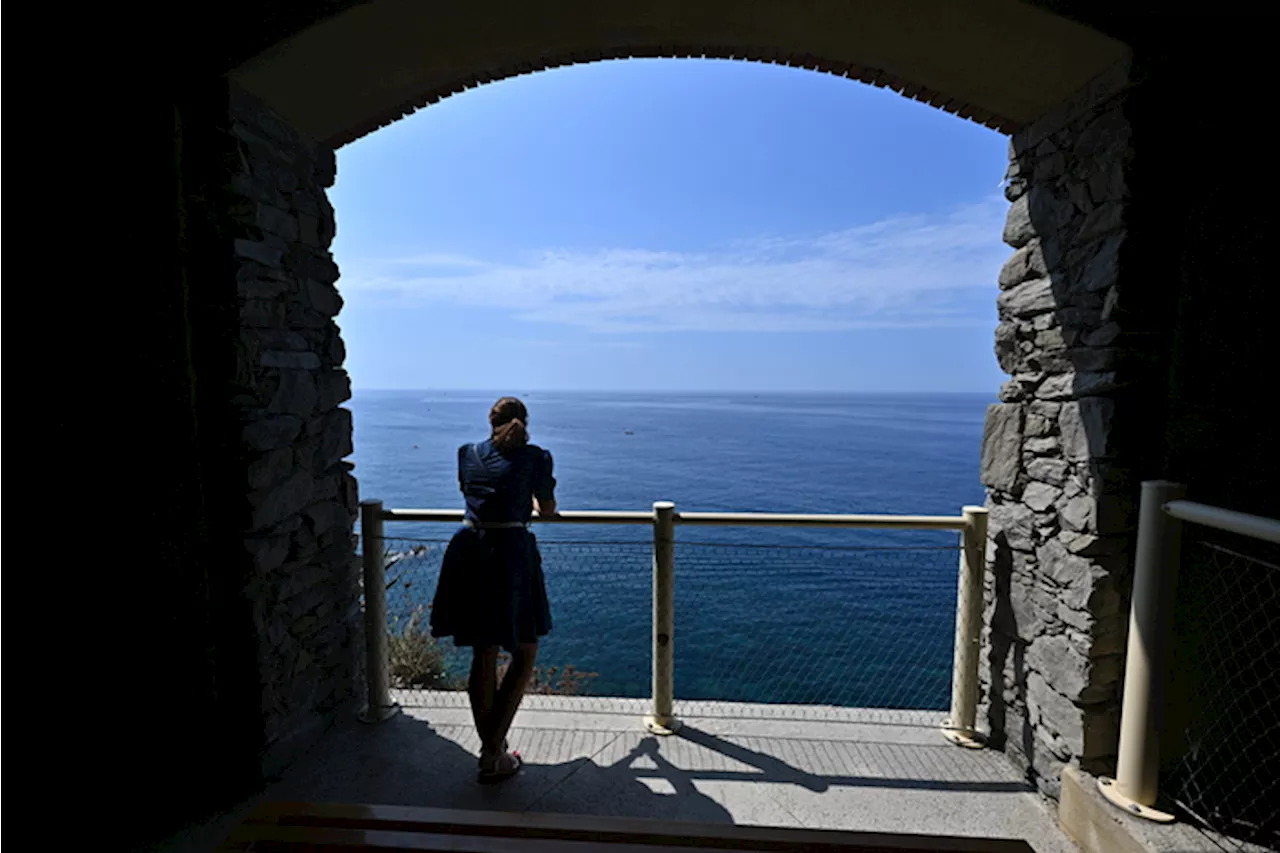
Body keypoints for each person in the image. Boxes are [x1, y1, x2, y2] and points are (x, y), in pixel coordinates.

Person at [430, 396, 557, 784]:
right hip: (511, 555)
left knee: (483, 652)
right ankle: (492, 751)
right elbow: (547, 510)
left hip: (469, 550)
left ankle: (494, 752)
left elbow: (472, 496)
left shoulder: (466, 453)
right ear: (525, 422)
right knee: (525, 649)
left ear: (491, 421)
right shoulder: (537, 458)